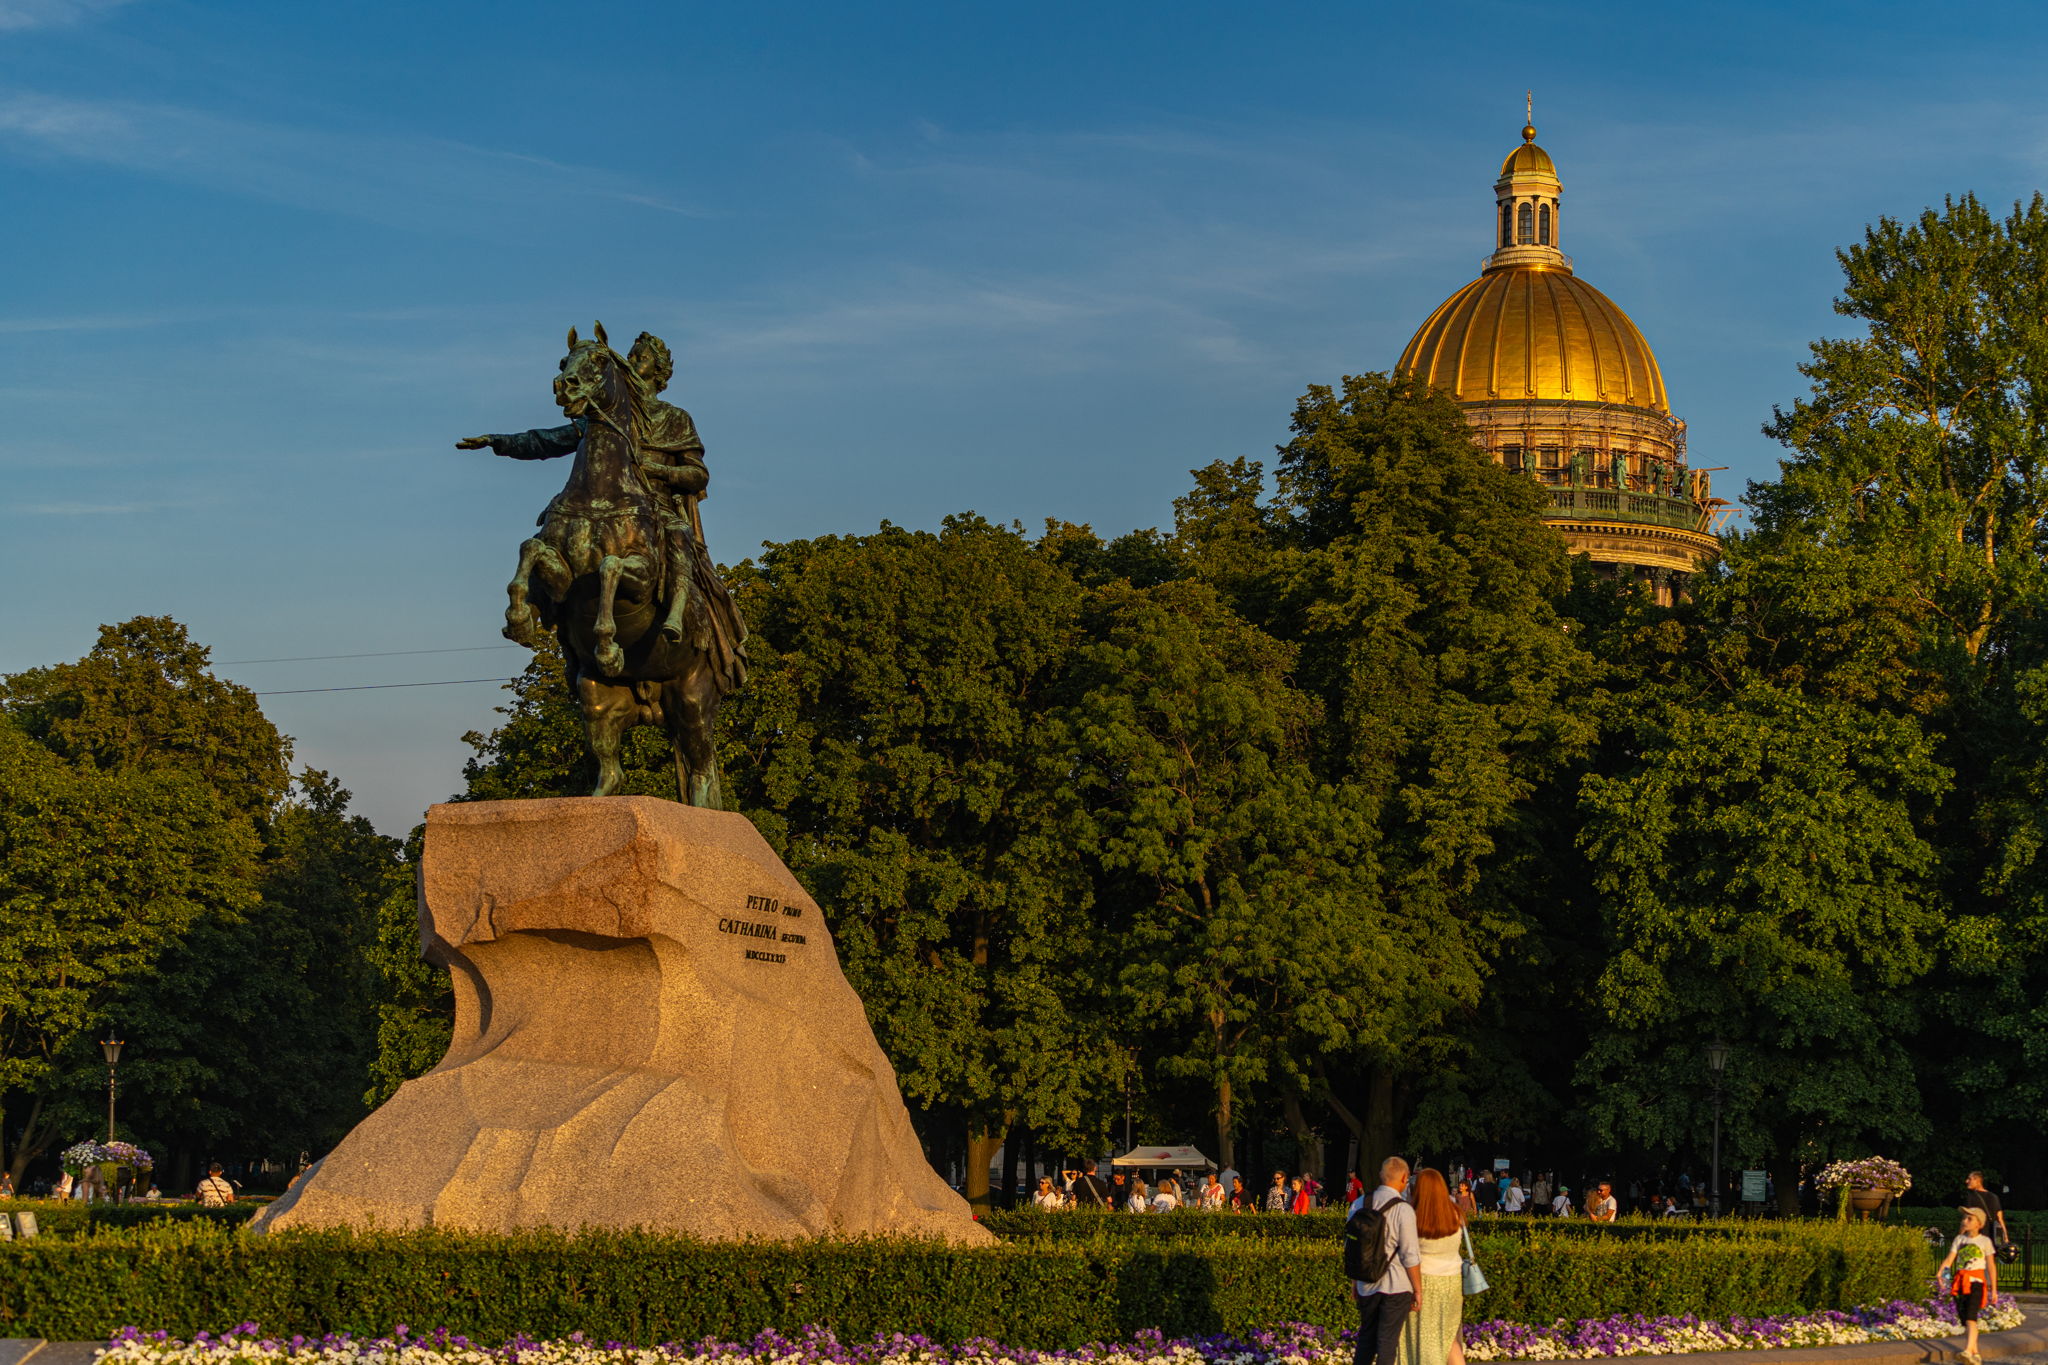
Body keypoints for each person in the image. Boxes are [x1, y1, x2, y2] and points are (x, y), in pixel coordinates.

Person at [1351, 1156, 1423, 1365]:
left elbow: (1352, 1247)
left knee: (1366, 1339)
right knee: (1387, 1342)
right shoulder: (1403, 1209)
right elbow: (1410, 1254)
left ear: (1382, 1176)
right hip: (1397, 1284)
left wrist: (1355, 1282)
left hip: (1366, 1282)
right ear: (1404, 1177)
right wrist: (1417, 1289)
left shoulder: (1358, 1204)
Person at [1400, 1169, 1467, 1365]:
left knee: (1421, 1337)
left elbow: (1407, 1254)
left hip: (1422, 1281)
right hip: (1452, 1282)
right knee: (1447, 1338)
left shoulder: (1413, 1216)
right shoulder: (1455, 1214)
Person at [1939, 1206, 1997, 1364]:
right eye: (1964, 1218)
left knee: (1971, 1318)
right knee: (1966, 1320)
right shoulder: (1959, 1239)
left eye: (1969, 1218)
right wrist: (1942, 1276)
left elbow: (1991, 1266)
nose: (1965, 1221)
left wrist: (1994, 1289)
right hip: (1960, 1283)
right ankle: (1975, 1352)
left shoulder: (1985, 1241)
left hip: (1976, 1283)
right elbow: (1949, 1261)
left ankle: (1966, 1351)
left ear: (1979, 1223)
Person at [1961, 1172, 2010, 1248]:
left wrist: (1960, 1236)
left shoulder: (1970, 1197)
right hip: (1992, 1238)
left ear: (1977, 1181)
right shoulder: (1994, 1197)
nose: (1966, 1181)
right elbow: (2000, 1219)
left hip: (1976, 1237)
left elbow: (1967, 1219)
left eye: (1969, 1179)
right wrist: (2005, 1237)